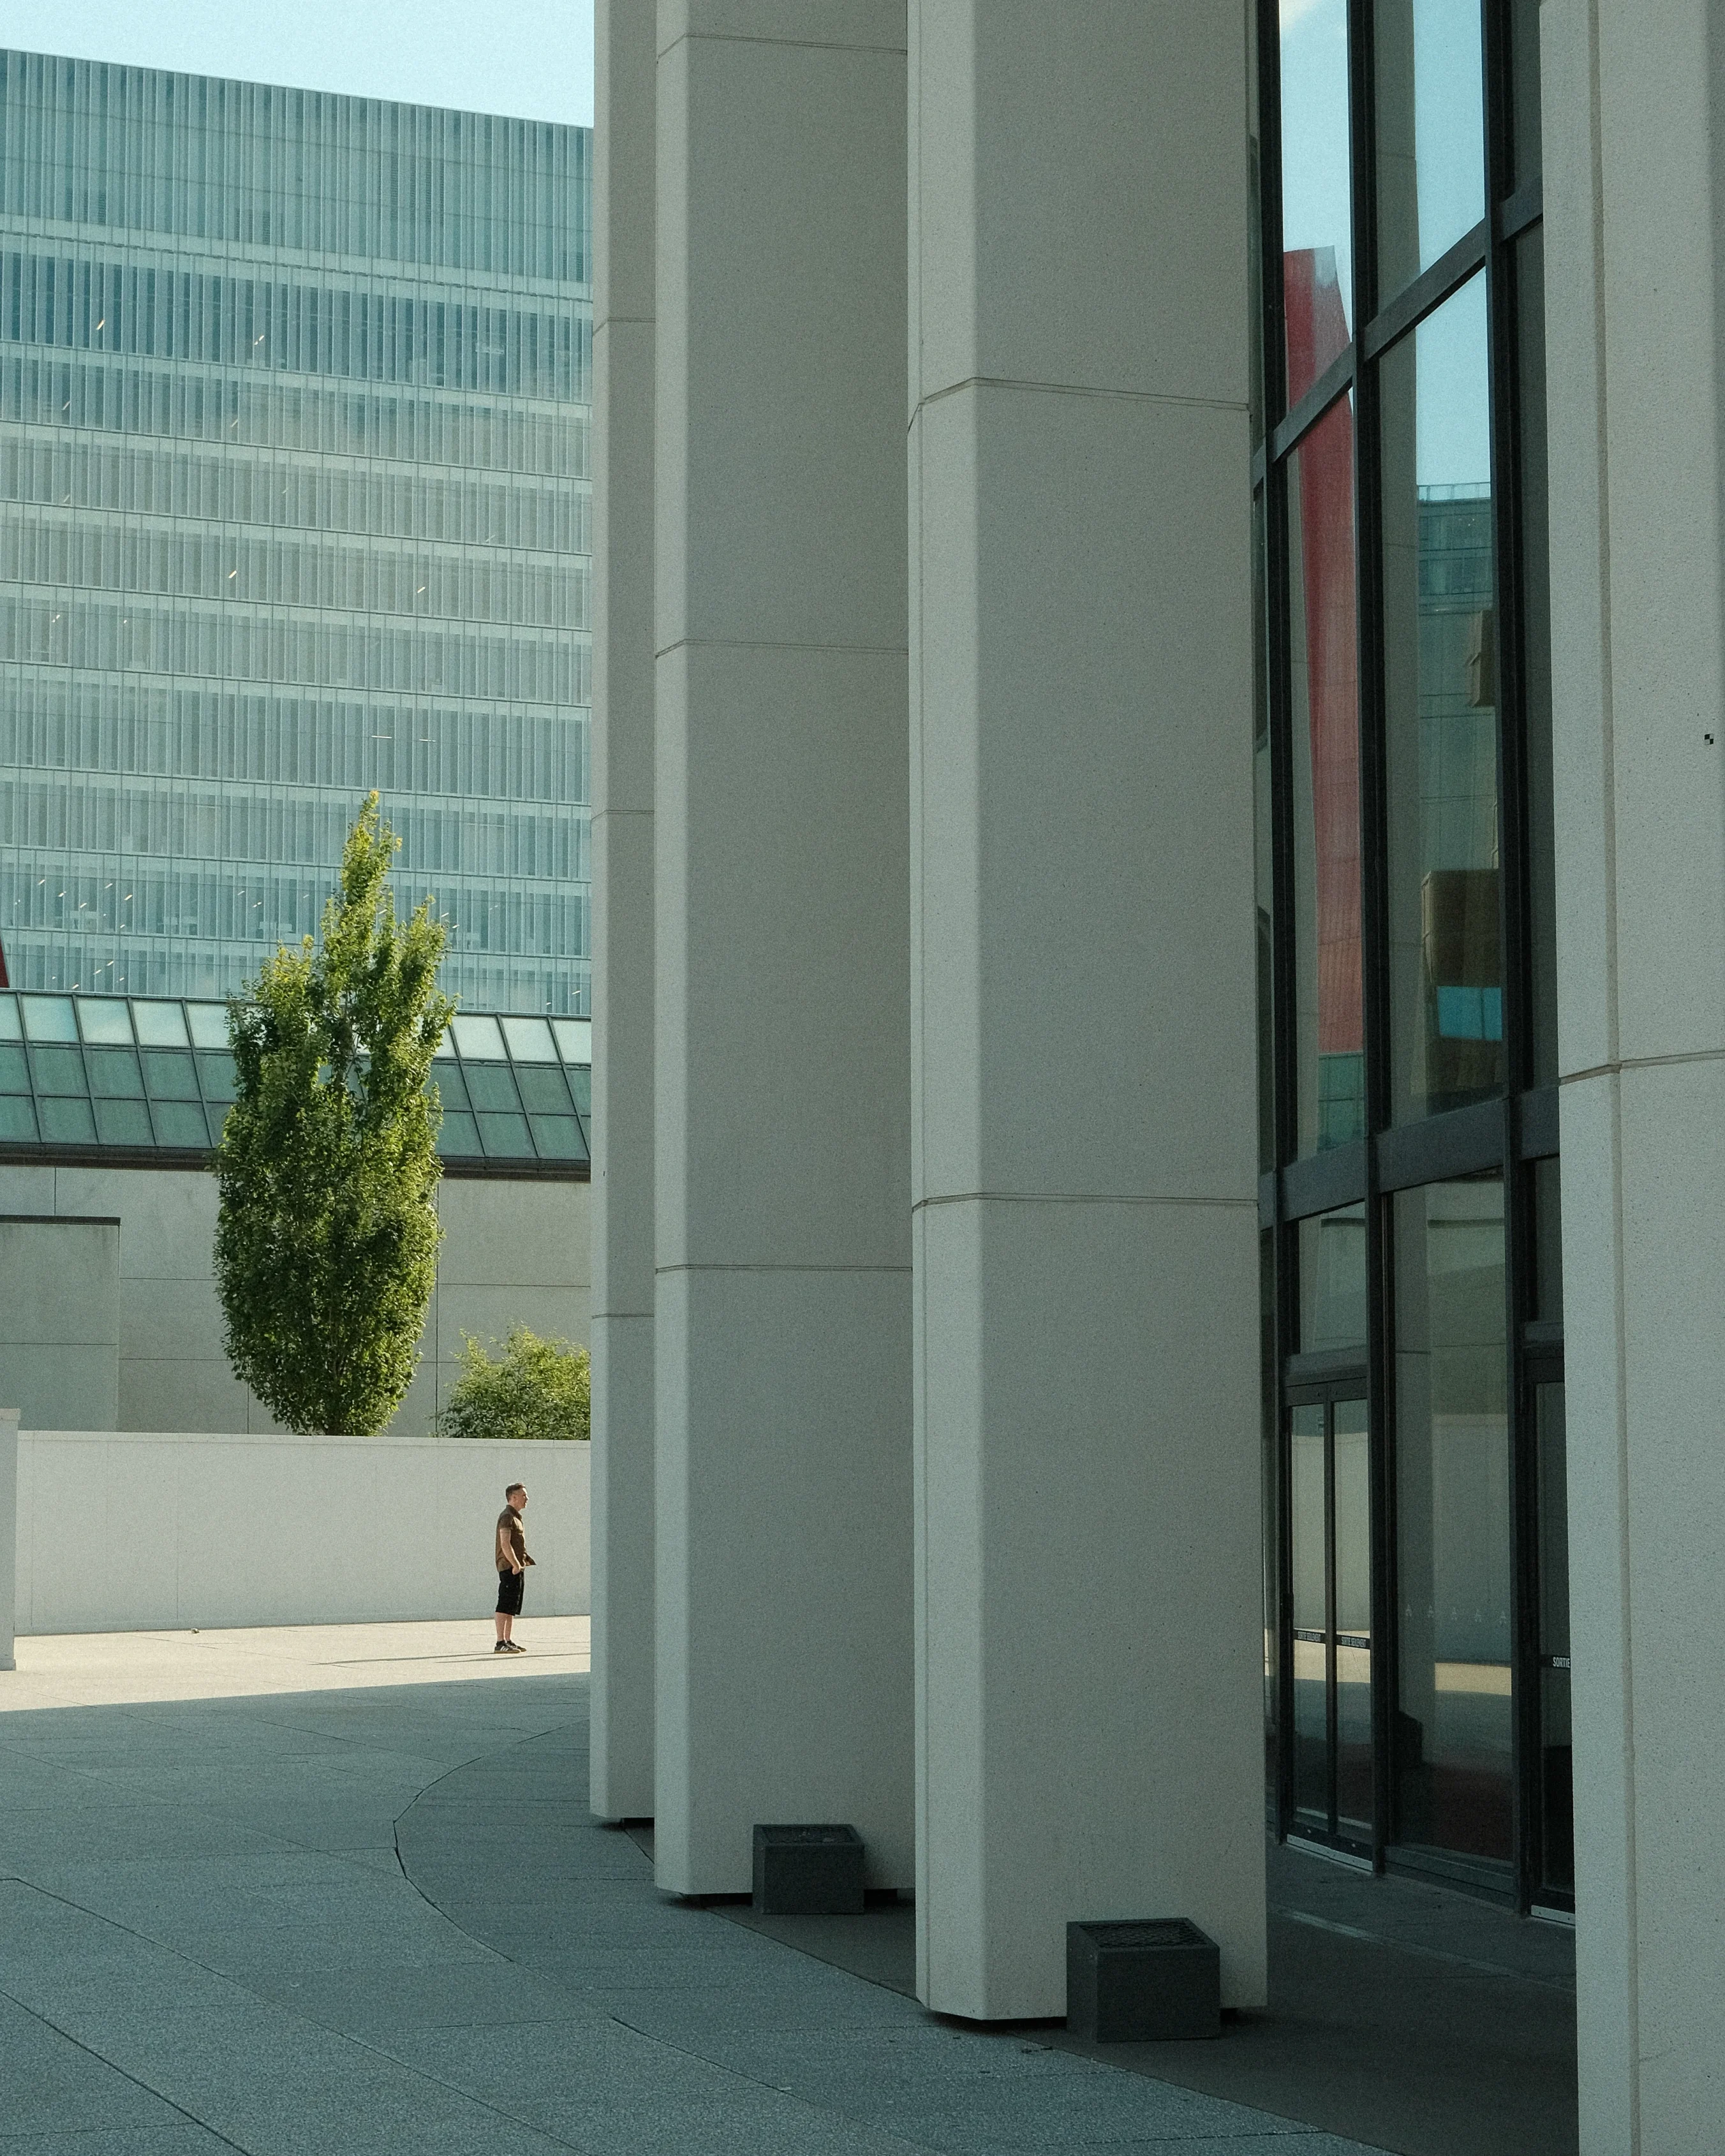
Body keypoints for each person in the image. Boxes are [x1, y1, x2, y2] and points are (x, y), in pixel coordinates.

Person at [493, 1482, 534, 1652]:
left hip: (517, 1567)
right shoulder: (507, 1517)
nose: (527, 1499)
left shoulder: (516, 1517)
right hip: (509, 1567)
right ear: (514, 1497)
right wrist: (516, 1564)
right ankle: (500, 1642)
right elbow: (505, 1543)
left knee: (512, 1606)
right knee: (504, 1604)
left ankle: (508, 1639)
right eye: (524, 1496)